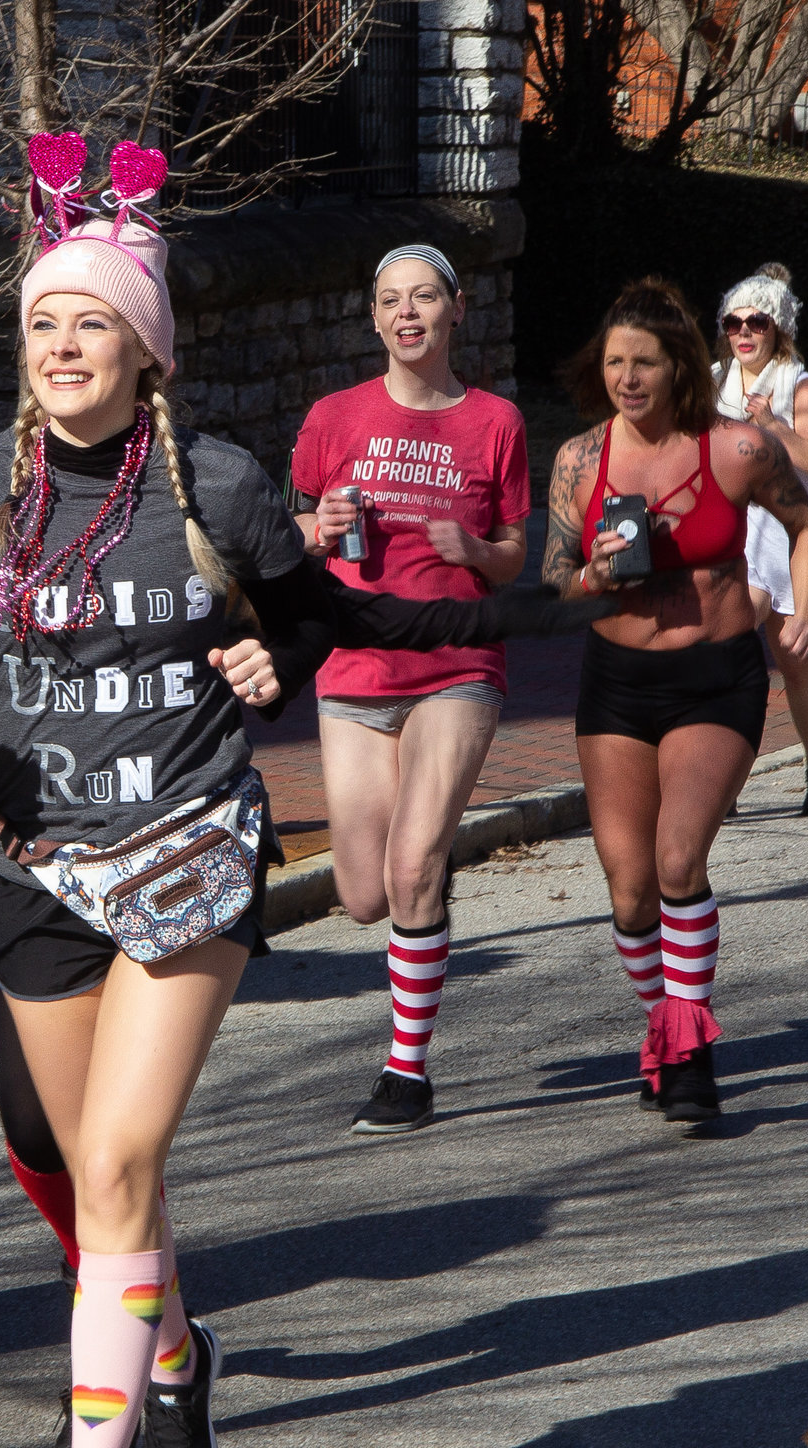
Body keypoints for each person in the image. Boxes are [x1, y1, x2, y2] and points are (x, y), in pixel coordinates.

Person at [0, 139, 595, 1448]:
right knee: (77, 1171)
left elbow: (322, 616)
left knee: (121, 1163)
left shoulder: (226, 485)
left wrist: (279, 648)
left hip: (189, 852)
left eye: (94, 325)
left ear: (147, 353)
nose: (65, 346)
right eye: (46, 324)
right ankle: (176, 1354)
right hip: (30, 861)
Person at [542, 277, 808, 1127]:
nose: (628, 378)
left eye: (646, 363)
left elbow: (806, 525)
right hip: (619, 684)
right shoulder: (578, 461)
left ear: (678, 369)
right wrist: (589, 572)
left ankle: (691, 1048)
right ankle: (660, 1028)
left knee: (677, 863)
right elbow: (556, 581)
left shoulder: (736, 449)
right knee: (629, 890)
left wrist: (806, 611)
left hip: (716, 675)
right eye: (615, 362)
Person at [290, 245, 529, 1135]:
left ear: (456, 309)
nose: (407, 312)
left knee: (410, 865)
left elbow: (513, 556)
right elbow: (290, 530)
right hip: (353, 670)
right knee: (362, 895)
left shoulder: (496, 421)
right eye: (390, 299)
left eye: (424, 296)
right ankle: (422, 898)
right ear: (375, 316)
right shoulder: (332, 416)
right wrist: (316, 526)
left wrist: (477, 554)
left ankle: (406, 1073)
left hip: (458, 666)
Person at [712, 262, 808, 814]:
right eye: (734, 323)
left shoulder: (797, 383)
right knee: (727, 646)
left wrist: (774, 426)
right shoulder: (711, 382)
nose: (745, 333)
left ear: (779, 330)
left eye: (758, 323)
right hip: (733, 530)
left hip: (792, 529)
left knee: (794, 661)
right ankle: (722, 779)